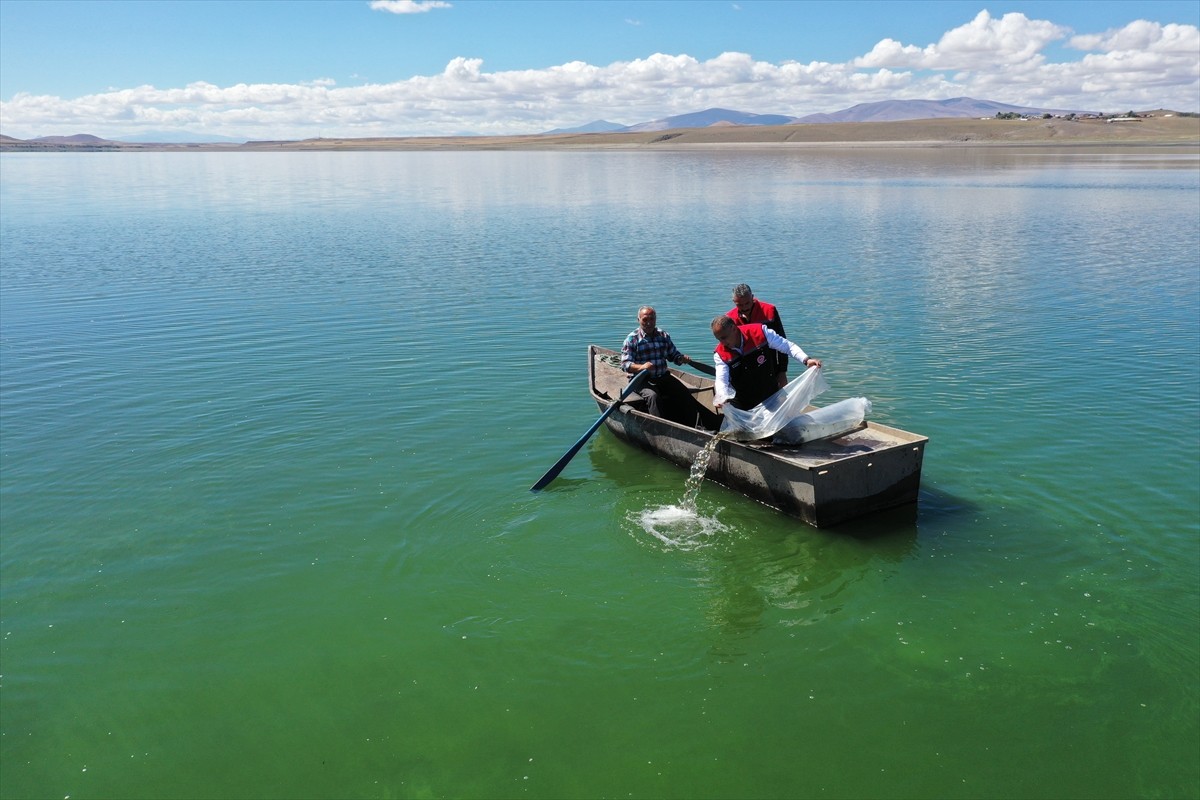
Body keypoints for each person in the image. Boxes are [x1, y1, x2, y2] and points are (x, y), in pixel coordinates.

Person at [621, 306, 722, 431]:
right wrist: (641, 367)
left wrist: (681, 358)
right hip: (641, 379)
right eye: (645, 320)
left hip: (662, 377)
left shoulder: (663, 335)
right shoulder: (632, 339)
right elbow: (625, 364)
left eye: (652, 319)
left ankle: (697, 426)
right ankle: (660, 428)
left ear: (656, 319)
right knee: (653, 396)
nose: (649, 323)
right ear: (638, 320)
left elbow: (672, 355)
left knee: (684, 394)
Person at [710, 315, 822, 411]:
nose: (722, 343)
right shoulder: (720, 354)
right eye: (719, 339)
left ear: (733, 328)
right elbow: (721, 380)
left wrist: (806, 359)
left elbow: (787, 346)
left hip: (770, 395)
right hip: (742, 402)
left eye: (724, 338)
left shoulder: (760, 332)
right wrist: (721, 397)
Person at [727, 284, 789, 390]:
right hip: (745, 373)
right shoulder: (729, 319)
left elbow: (782, 342)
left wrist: (782, 371)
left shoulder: (769, 311)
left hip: (770, 368)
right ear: (734, 302)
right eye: (740, 305)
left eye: (747, 303)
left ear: (752, 297)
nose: (745, 307)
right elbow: (728, 350)